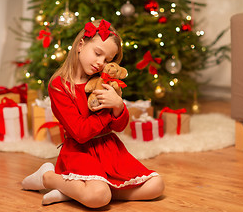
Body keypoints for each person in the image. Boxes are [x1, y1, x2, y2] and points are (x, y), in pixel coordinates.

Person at [21, 19, 164, 208]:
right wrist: (107, 113)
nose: (100, 63)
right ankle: (49, 178)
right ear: (81, 45)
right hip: (80, 152)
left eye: (107, 60)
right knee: (99, 198)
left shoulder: (103, 81)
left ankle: (75, 191)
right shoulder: (59, 86)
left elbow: (119, 127)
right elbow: (80, 133)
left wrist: (118, 106)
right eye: (97, 53)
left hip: (109, 148)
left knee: (156, 185)